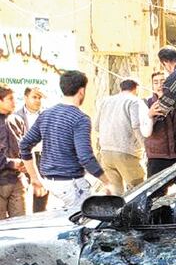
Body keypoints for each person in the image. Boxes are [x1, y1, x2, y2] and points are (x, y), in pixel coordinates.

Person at [20, 70, 112, 208]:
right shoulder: (80, 119)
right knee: (84, 225)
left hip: (50, 185)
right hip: (71, 185)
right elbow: (85, 157)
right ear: (81, 91)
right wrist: (106, 181)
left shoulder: (46, 114)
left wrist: (35, 178)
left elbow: (24, 145)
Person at [93, 79, 149, 195]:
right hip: (126, 152)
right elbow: (136, 126)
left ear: (121, 88)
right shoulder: (134, 101)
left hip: (106, 152)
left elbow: (96, 126)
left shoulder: (105, 101)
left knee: (116, 192)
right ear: (136, 89)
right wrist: (146, 147)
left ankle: (116, 213)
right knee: (138, 189)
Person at [10, 86, 47, 212]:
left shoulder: (46, 115)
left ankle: (40, 216)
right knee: (22, 191)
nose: (37, 100)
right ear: (25, 98)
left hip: (43, 156)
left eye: (39, 98)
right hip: (24, 158)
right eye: (34, 97)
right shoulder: (16, 116)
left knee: (41, 191)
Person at [0, 84, 27, 218]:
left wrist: (25, 165)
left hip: (17, 180)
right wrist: (10, 163)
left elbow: (26, 147)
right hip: (1, 181)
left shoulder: (17, 120)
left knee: (20, 223)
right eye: (10, 99)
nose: (14, 102)